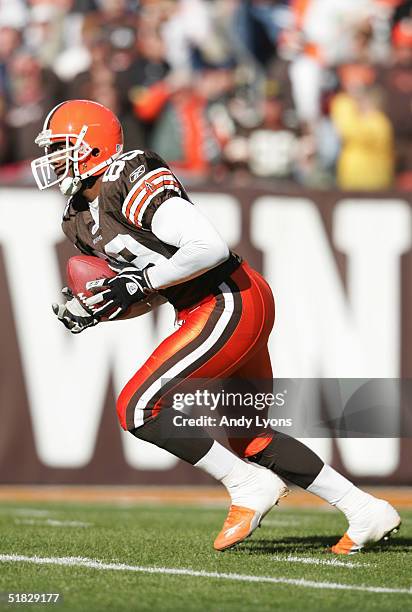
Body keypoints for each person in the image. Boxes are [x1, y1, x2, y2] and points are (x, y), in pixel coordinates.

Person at [31, 99, 401, 554]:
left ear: (94, 148)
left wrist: (136, 284)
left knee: (137, 406)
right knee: (252, 435)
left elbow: (209, 247)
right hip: (209, 305)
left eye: (63, 146)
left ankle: (248, 486)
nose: (52, 159)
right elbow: (148, 295)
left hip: (228, 298)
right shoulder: (78, 219)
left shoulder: (128, 176)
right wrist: (102, 308)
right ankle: (365, 509)